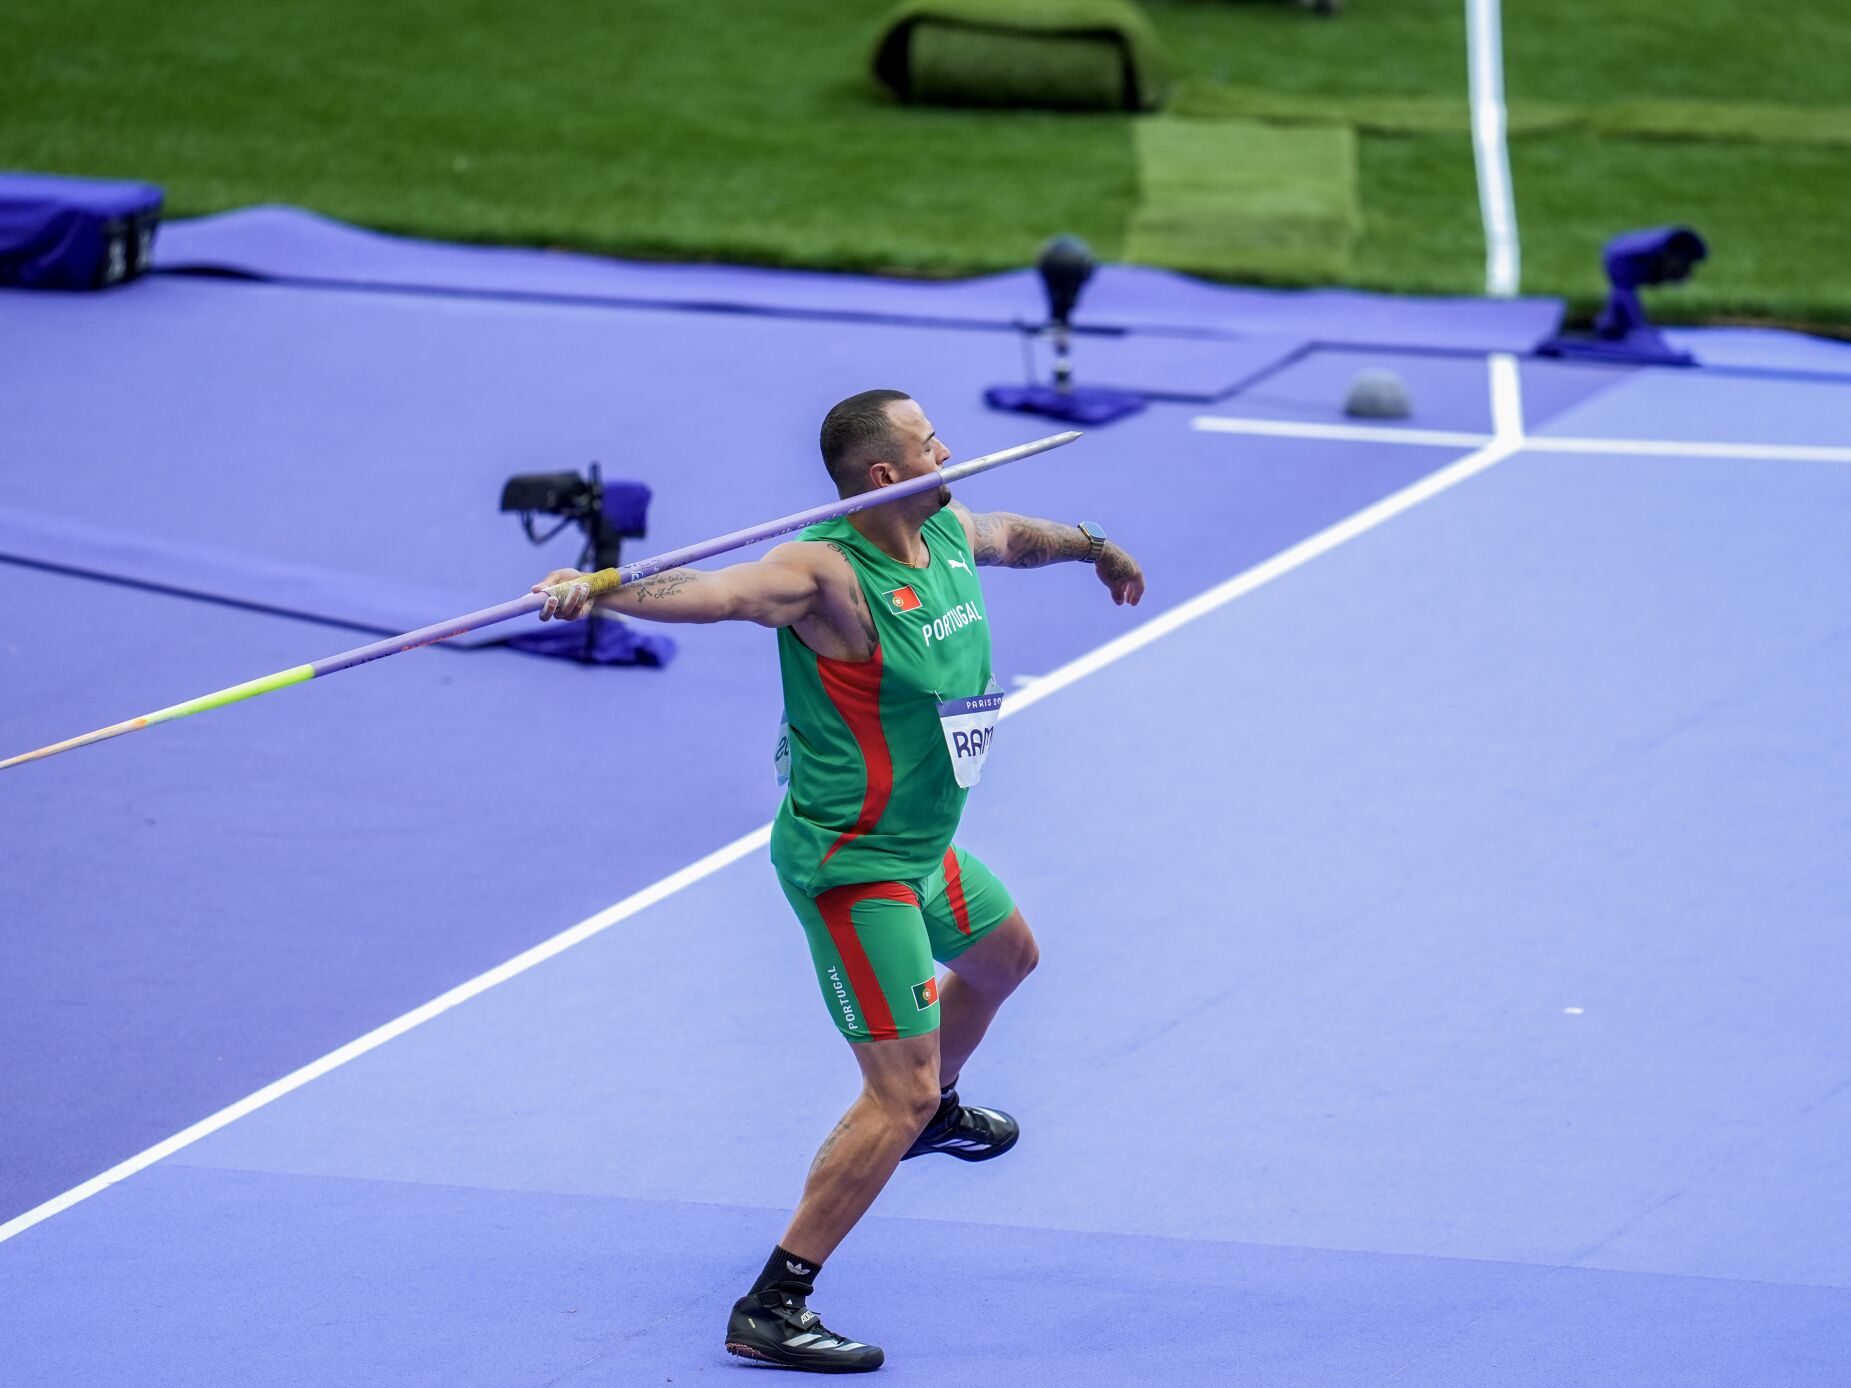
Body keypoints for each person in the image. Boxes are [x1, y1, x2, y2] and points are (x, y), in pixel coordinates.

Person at [534, 390, 1145, 1373]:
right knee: (890, 1094)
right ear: (883, 475)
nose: (949, 452)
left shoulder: (940, 525)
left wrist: (1092, 544)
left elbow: (1009, 535)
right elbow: (723, 593)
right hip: (855, 865)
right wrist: (601, 589)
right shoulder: (826, 575)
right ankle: (775, 1299)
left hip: (921, 843)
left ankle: (935, 1102)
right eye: (930, 443)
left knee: (1005, 956)